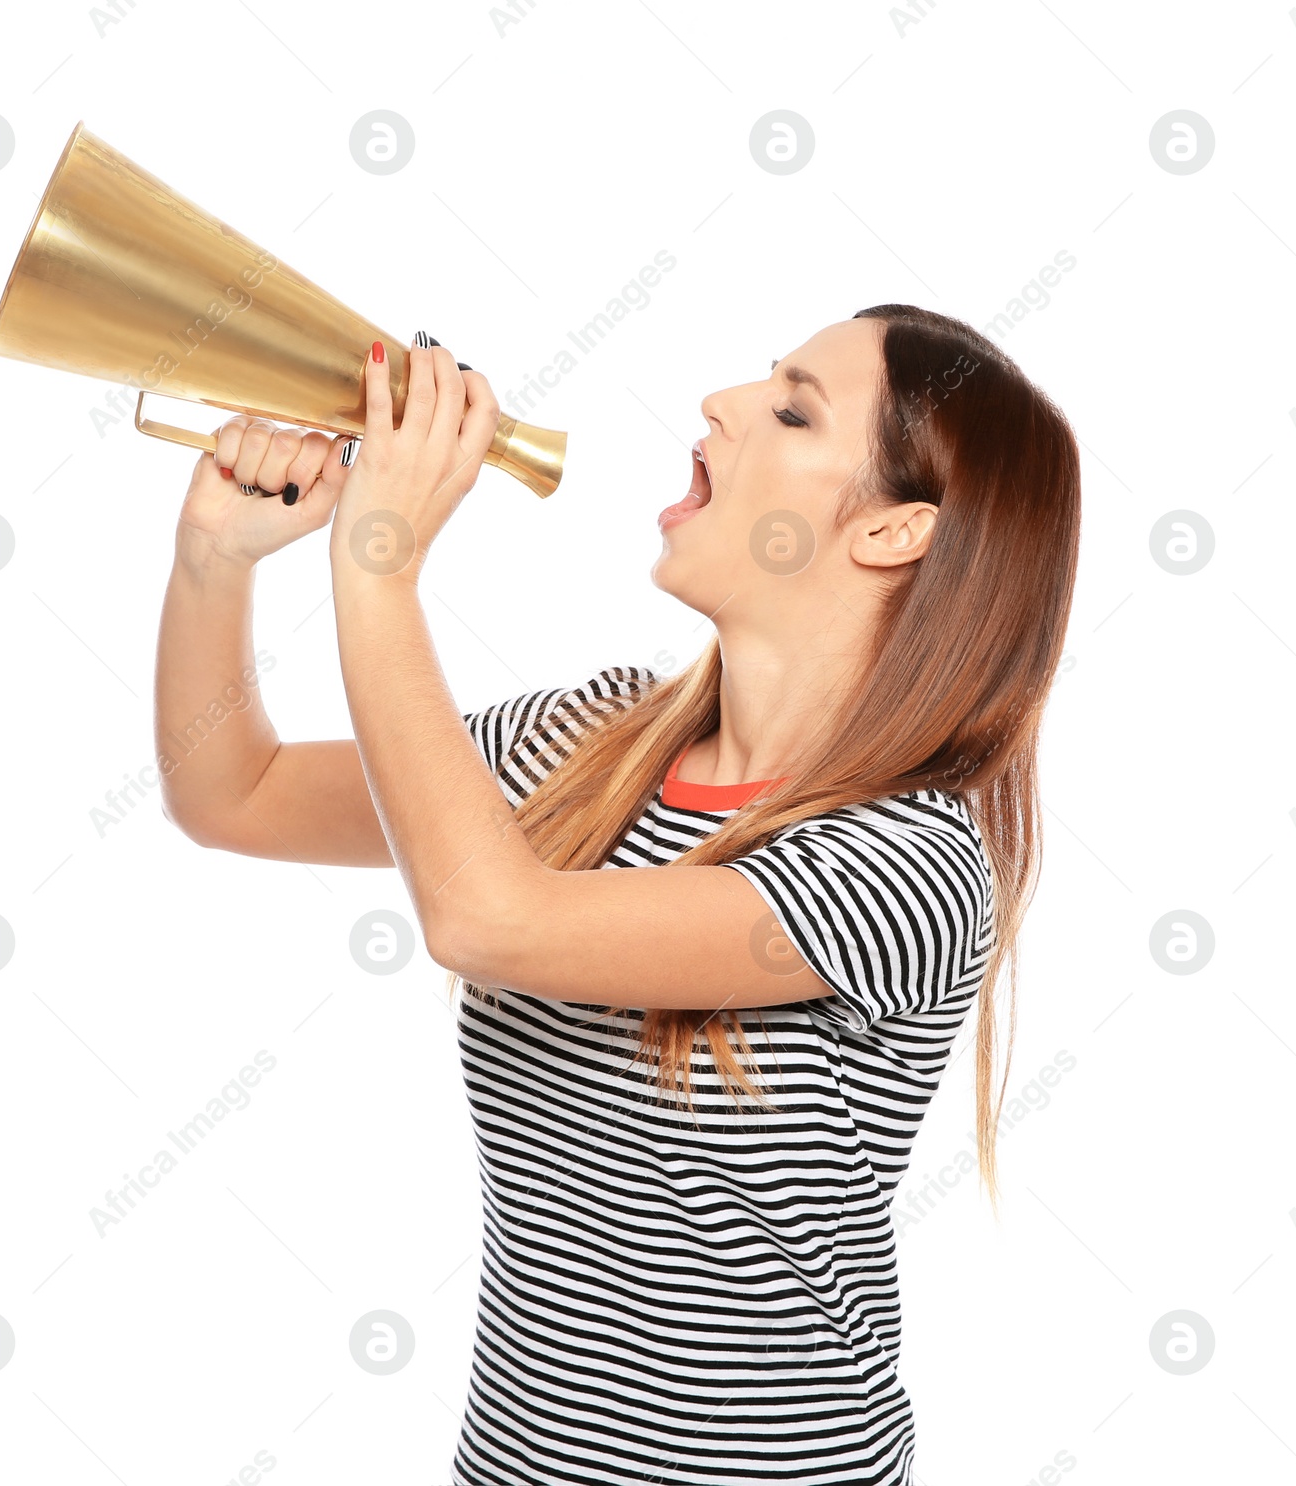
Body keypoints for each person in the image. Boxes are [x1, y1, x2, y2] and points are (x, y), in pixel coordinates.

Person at [154, 308, 1081, 1485]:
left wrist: (378, 562)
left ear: (897, 528)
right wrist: (214, 556)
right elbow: (233, 791)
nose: (721, 404)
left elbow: (491, 920)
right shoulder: (586, 742)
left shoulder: (904, 860)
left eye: (793, 408)